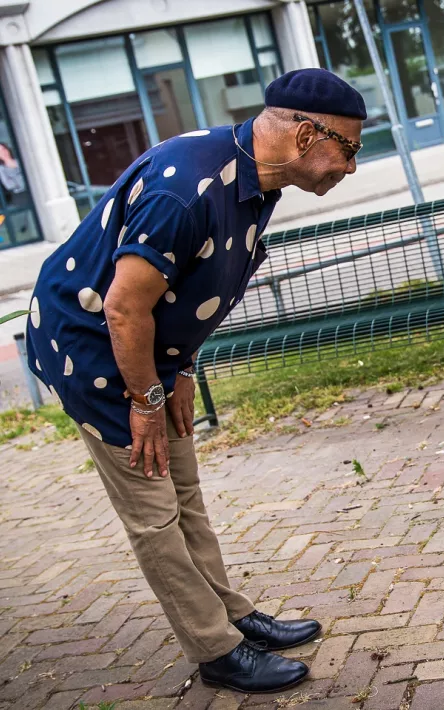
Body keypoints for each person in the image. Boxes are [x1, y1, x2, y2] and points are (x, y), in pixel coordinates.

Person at [25, 69, 366, 694]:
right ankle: (215, 650)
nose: (350, 165)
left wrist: (178, 367)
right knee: (154, 514)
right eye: (348, 147)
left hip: (146, 350)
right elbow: (124, 308)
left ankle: (233, 616)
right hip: (96, 349)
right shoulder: (186, 189)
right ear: (304, 135)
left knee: (184, 492)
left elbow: (191, 290)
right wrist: (146, 398)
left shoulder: (256, 182)